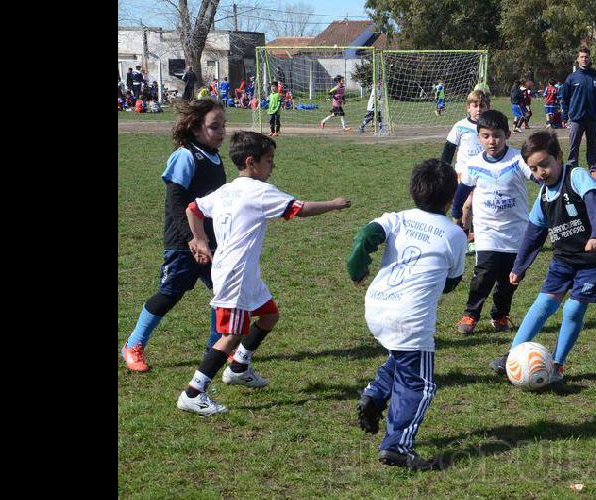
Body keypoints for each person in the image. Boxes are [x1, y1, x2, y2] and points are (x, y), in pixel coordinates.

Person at [177, 131, 352, 415]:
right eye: (269, 161)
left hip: (243, 272)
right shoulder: (260, 192)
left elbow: (193, 208)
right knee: (231, 334)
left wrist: (199, 239)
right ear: (252, 162)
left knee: (269, 314)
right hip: (235, 275)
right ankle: (193, 392)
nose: (273, 166)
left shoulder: (226, 190)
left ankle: (239, 367)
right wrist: (333, 205)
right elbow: (299, 209)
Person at [347, 158, 466, 470]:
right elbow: (452, 282)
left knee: (401, 357)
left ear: (414, 190)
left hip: (377, 305)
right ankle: (397, 445)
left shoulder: (396, 218)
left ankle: (374, 395)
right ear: (451, 197)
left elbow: (365, 236)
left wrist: (356, 269)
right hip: (410, 317)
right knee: (420, 384)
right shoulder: (454, 234)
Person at [488, 130, 596, 384]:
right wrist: (520, 266)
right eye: (534, 168)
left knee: (572, 308)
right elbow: (533, 234)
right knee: (543, 304)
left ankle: (557, 365)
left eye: (545, 164)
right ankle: (512, 356)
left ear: (558, 157)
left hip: (594, 260)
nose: (541, 172)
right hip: (563, 259)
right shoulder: (543, 196)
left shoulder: (577, 177)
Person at [121, 99, 228, 372]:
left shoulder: (215, 157)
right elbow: (176, 201)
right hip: (183, 242)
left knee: (224, 293)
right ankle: (133, 344)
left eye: (223, 126)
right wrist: (192, 237)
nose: (221, 132)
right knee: (169, 293)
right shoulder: (186, 155)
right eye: (214, 127)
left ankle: (216, 349)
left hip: (211, 240)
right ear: (195, 129)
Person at [449, 110, 535, 334]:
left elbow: (537, 176)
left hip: (516, 232)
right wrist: (457, 214)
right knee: (484, 275)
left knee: (510, 279)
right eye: (485, 136)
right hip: (487, 230)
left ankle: (500, 315)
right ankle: (470, 315)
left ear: (507, 134)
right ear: (479, 137)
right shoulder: (474, 164)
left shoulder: (517, 159)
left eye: (496, 135)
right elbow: (463, 191)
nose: (491, 141)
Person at [440, 90, 492, 254]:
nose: (478, 109)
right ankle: (460, 237)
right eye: (475, 106)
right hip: (463, 173)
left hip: (485, 174)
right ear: (468, 108)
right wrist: (443, 169)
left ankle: (473, 237)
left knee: (481, 207)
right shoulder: (460, 126)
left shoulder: (489, 127)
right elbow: (449, 149)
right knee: (467, 205)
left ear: (488, 108)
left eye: (482, 106)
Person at [562, 46, 596, 181]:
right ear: (578, 59)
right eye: (582, 57)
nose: (584, 59)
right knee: (573, 145)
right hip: (576, 118)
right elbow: (564, 99)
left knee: (592, 145)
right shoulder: (571, 78)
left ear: (589, 59)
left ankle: (593, 170)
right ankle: (572, 168)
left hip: (593, 118)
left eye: (586, 57)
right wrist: (565, 116)